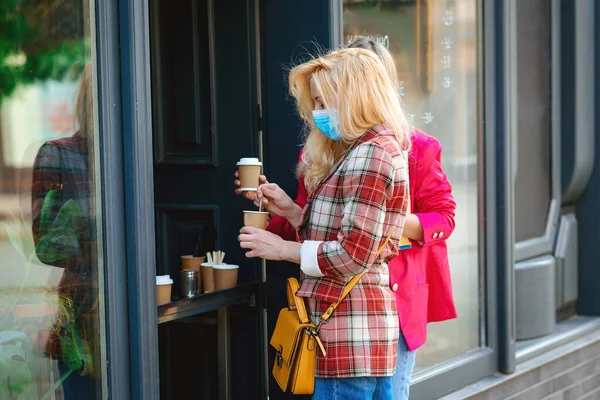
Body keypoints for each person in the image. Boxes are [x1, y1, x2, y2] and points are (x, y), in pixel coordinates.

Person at [235, 37, 457, 399]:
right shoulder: (360, 148)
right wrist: (292, 211)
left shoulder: (371, 153)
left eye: (324, 101)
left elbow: (352, 253)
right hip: (354, 332)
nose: (318, 112)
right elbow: (342, 226)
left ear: (353, 96)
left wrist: (281, 249)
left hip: (352, 332)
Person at [31, 63, 100, 398]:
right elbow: (45, 248)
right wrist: (77, 222)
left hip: (138, 313)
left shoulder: (139, 158)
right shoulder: (58, 154)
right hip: (82, 322)